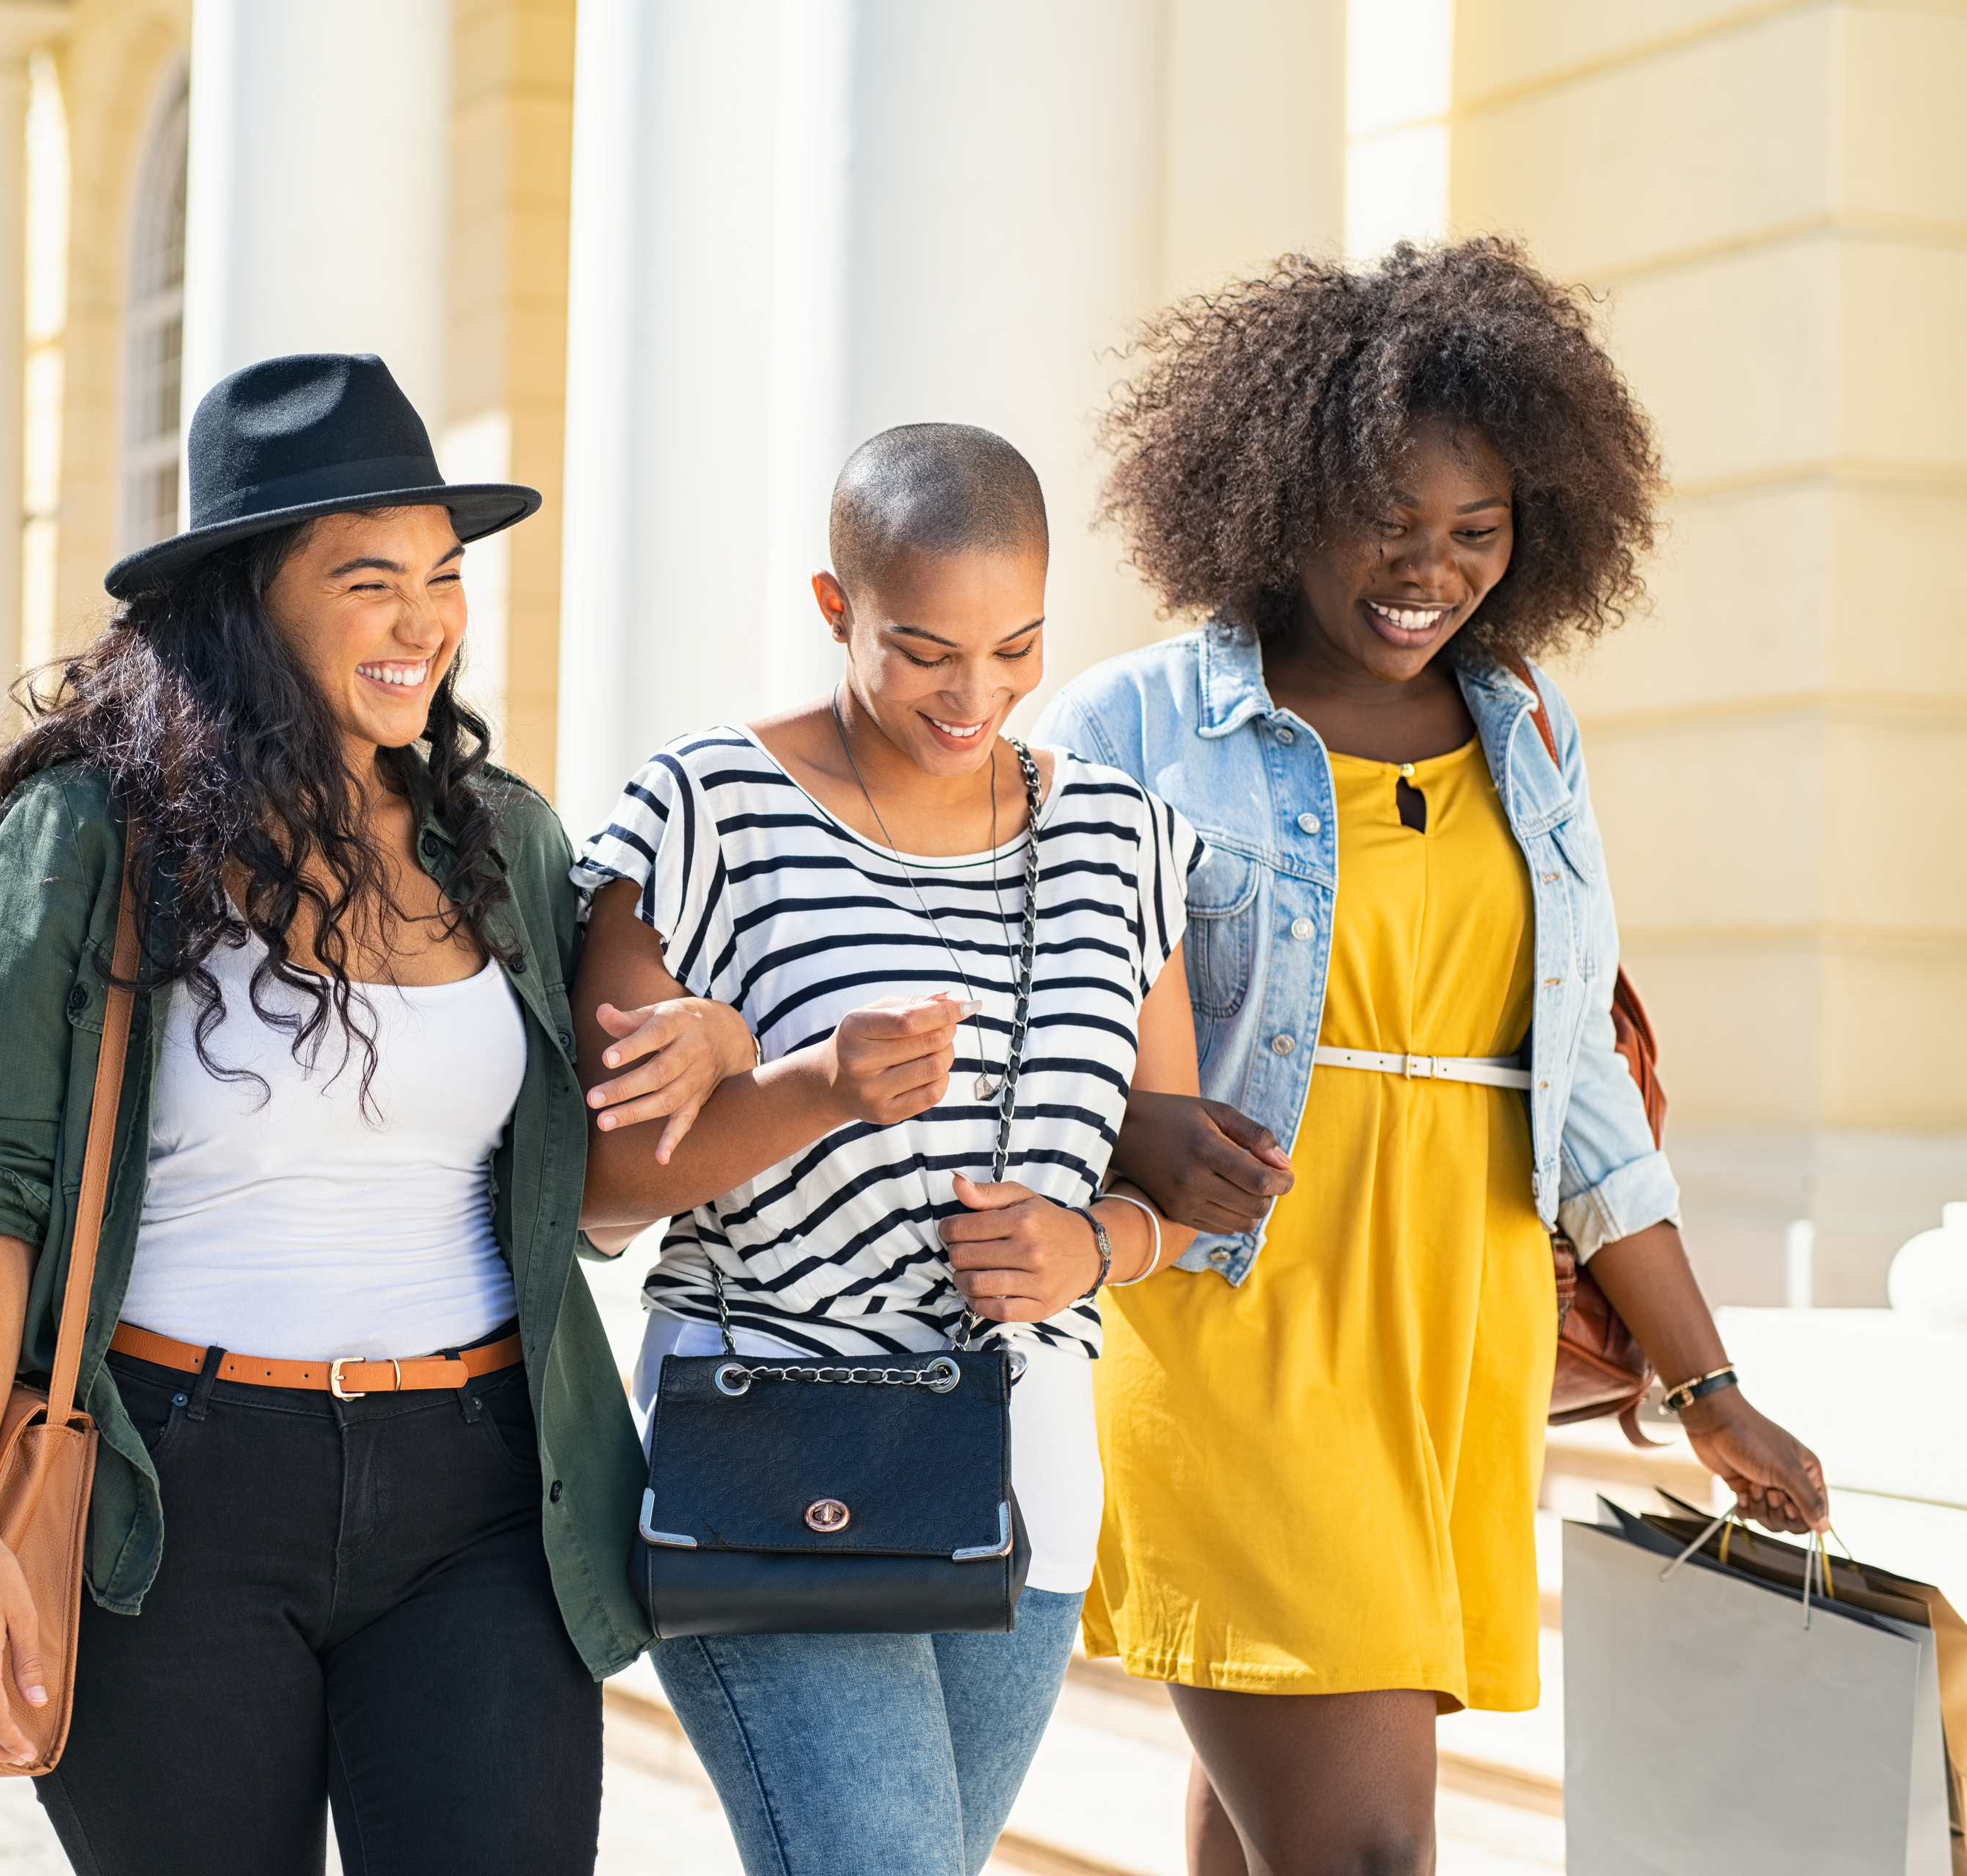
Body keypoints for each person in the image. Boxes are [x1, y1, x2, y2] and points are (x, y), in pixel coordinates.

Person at [0, 353, 754, 1875]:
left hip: (484, 1488)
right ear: (246, 593)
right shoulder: (93, 833)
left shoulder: (499, 841)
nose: (427, 618)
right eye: (371, 579)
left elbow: (602, 1178)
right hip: (166, 1497)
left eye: (444, 573)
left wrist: (715, 1041)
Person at [1038, 239, 1832, 1875]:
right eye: (1388, 525)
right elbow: (1020, 1002)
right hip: (1239, 1306)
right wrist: (1136, 1114)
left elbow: (1584, 1085)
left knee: (1275, 1835)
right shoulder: (1132, 726)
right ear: (1277, 498)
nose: (1433, 570)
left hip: (1456, 1317)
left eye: (1476, 532)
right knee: (1368, 1846)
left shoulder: (1528, 730)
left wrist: (1709, 1384)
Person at [572, 423, 1207, 1876]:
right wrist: (811, 1085)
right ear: (832, 605)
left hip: (1028, 1464)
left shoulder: (1120, 845)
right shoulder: (705, 814)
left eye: (1015, 648)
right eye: (925, 651)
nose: (973, 694)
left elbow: (1171, 1177)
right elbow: (600, 1194)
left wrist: (1093, 1246)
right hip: (770, 1434)